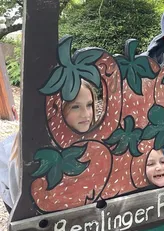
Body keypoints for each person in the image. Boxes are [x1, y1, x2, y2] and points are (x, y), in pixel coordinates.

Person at [0, 80, 97, 212]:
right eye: (75, 107)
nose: (86, 114)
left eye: (89, 105)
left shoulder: (94, 142)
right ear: (55, 109)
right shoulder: (23, 151)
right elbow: (21, 210)